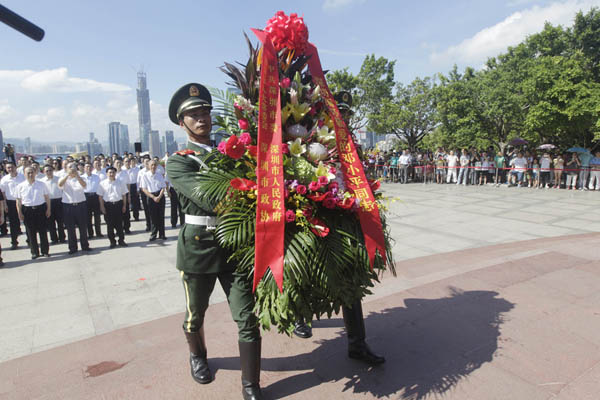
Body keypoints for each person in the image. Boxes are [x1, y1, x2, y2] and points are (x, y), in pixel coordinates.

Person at [166, 83, 263, 399]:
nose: (201, 119)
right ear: (182, 123)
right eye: (193, 115)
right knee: (196, 313)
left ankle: (251, 385)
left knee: (247, 316)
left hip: (234, 244)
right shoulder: (178, 161)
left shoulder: (232, 150)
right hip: (199, 247)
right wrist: (253, 195)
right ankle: (197, 355)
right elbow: (207, 196)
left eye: (205, 112)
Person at [293, 91, 386, 366]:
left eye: (345, 114)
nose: (341, 118)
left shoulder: (352, 145)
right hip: (316, 214)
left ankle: (357, 344)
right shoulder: (315, 139)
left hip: (348, 215)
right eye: (337, 113)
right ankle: (301, 318)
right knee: (304, 270)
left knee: (351, 281)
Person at [16, 167, 51, 259]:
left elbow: (47, 197)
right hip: (27, 210)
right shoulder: (20, 186)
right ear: (24, 174)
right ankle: (34, 252)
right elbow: (18, 201)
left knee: (43, 232)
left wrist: (48, 209)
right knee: (31, 233)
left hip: (40, 209)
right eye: (28, 173)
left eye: (32, 172)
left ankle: (45, 251)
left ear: (35, 173)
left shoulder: (41, 184)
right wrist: (19, 213)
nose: (30, 175)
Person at [59, 161, 91, 255]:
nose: (72, 169)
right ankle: (72, 247)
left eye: (73, 167)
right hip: (68, 205)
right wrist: (67, 175)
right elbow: (60, 185)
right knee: (70, 228)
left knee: (83, 227)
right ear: (66, 169)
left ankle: (85, 246)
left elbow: (84, 185)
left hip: (80, 205)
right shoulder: (63, 177)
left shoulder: (81, 177)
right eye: (69, 167)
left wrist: (77, 175)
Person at [97, 166, 128, 248]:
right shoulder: (102, 184)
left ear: (115, 173)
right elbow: (100, 197)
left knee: (119, 224)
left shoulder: (120, 182)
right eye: (109, 172)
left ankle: (121, 240)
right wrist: (102, 207)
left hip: (118, 205)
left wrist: (124, 205)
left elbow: (124, 195)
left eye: (113, 172)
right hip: (108, 206)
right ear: (106, 174)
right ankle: (112, 241)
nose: (111, 174)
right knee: (109, 225)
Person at [140, 160, 166, 241]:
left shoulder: (159, 175)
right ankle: (154, 234)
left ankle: (162, 234)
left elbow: (163, 187)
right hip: (151, 197)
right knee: (153, 217)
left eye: (155, 165)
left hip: (160, 196)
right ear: (148, 166)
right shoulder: (145, 176)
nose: (153, 167)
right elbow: (144, 189)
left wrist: (159, 196)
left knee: (161, 216)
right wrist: (153, 197)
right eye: (151, 165)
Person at [0, 162, 25, 249]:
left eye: (11, 167)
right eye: (8, 168)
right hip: (11, 203)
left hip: (23, 202)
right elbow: (2, 193)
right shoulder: (4, 179)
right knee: (13, 224)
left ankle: (30, 241)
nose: (10, 169)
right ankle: (14, 242)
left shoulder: (23, 177)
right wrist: (5, 204)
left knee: (27, 222)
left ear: (15, 167)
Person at [40, 165, 65, 243]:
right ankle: (54, 238)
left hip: (59, 201)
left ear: (53, 171)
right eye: (46, 171)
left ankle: (62, 237)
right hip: (48, 202)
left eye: (50, 170)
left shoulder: (58, 179)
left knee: (60, 221)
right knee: (50, 222)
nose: (48, 172)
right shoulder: (41, 181)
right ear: (43, 172)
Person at [82, 163, 103, 238]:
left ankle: (98, 232)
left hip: (95, 196)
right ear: (84, 168)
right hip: (86, 197)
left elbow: (100, 187)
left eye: (90, 167)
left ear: (92, 168)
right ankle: (90, 233)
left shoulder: (96, 177)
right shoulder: (81, 178)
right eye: (87, 167)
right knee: (88, 217)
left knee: (97, 216)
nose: (88, 168)